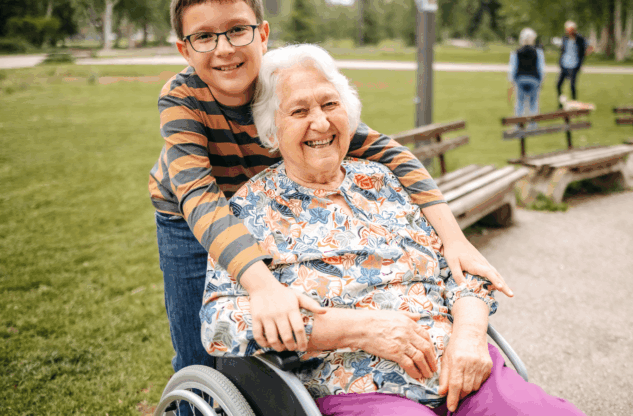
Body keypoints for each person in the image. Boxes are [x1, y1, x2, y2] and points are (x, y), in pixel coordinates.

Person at [201, 44, 587, 416]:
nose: (320, 122)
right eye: (299, 111)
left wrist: (469, 336)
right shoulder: (251, 208)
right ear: (271, 132)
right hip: (360, 390)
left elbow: (461, 268)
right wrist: (355, 329)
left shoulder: (384, 181)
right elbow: (220, 324)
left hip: (464, 370)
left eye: (330, 104)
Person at [150, 0, 512, 394]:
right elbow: (200, 197)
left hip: (262, 195)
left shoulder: (285, 87)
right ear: (184, 48)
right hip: (188, 215)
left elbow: (390, 153)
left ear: (263, 34)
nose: (224, 49)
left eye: (238, 30)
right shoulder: (182, 97)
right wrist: (264, 287)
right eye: (204, 36)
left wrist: (454, 239)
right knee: (199, 355)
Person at [508, 28, 545, 118]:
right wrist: (542, 80)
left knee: (520, 103)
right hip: (534, 78)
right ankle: (532, 126)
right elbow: (541, 68)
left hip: (520, 79)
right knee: (533, 104)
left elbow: (513, 67)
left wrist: (511, 80)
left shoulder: (516, 52)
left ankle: (518, 125)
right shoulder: (538, 52)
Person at [556, 21, 593, 106]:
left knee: (572, 86)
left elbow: (589, 48)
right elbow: (562, 50)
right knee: (558, 85)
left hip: (574, 65)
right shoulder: (565, 38)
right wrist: (560, 62)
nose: (568, 31)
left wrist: (582, 57)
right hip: (564, 64)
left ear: (574, 30)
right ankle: (560, 102)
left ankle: (574, 102)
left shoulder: (580, 39)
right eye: (567, 29)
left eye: (570, 29)